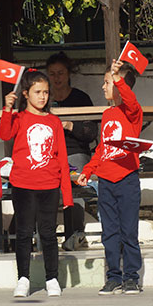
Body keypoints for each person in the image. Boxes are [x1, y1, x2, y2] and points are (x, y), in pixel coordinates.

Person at [0, 70, 72, 298]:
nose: (43, 97)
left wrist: (67, 193)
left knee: (49, 233)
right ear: (25, 93)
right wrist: (7, 109)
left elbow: (62, 157)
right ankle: (23, 279)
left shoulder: (54, 121)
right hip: (23, 183)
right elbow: (4, 134)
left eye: (46, 92)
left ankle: (52, 278)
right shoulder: (19, 118)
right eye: (37, 92)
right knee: (23, 233)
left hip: (49, 184)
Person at [77, 60, 144, 295]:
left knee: (129, 231)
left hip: (127, 179)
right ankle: (113, 276)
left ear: (119, 84)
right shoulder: (107, 114)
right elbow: (102, 149)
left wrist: (117, 78)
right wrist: (88, 170)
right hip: (106, 181)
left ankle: (132, 277)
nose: (102, 87)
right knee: (110, 233)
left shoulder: (132, 112)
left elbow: (131, 101)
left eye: (106, 82)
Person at [46, 52, 98, 250]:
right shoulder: (44, 98)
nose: (57, 78)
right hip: (48, 153)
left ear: (68, 74)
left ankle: (74, 235)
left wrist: (69, 125)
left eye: (60, 73)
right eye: (52, 74)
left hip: (74, 152)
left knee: (74, 180)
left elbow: (91, 132)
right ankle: (40, 237)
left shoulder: (80, 98)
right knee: (34, 179)